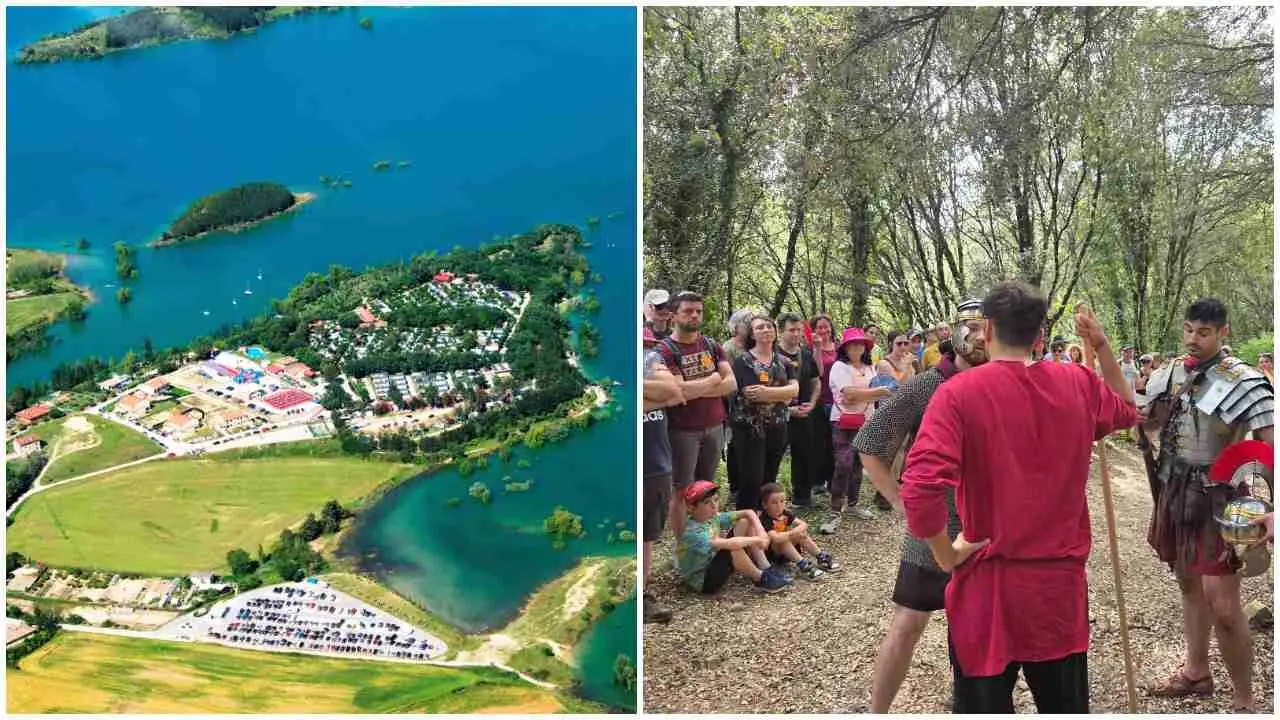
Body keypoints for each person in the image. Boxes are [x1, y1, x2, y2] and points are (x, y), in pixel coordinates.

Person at [901, 281, 1137, 713]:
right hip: (1056, 591)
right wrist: (1102, 346)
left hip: (988, 588)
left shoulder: (958, 392)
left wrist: (946, 555)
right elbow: (1127, 408)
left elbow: (919, 487)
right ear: (1040, 335)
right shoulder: (1078, 383)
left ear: (987, 329)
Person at [855, 299, 989, 713]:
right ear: (954, 332)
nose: (979, 337)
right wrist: (901, 502)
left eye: (986, 328)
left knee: (981, 629)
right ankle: (877, 712)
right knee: (909, 622)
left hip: (987, 523)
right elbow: (870, 445)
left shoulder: (1003, 382)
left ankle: (972, 705)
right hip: (937, 522)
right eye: (970, 327)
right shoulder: (926, 385)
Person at [1142, 298, 1273, 713]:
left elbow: (1272, 447)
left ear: (1222, 333)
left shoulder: (1245, 380)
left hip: (1221, 496)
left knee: (1226, 608)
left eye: (1203, 332)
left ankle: (1245, 701)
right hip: (1174, 491)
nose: (1193, 339)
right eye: (1189, 329)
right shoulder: (1170, 373)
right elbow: (1146, 420)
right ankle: (1197, 672)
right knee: (1187, 583)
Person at [658, 292, 737, 536]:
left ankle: (706, 539)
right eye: (688, 311)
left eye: (698, 311)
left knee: (706, 487)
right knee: (682, 489)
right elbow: (678, 392)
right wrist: (712, 379)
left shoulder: (711, 345)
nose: (694, 315)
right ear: (673, 316)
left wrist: (695, 388)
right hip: (682, 430)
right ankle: (683, 545)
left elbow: (731, 383)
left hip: (714, 425)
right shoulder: (665, 350)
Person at [727, 316, 798, 512]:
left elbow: (795, 391)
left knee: (770, 476)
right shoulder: (743, 361)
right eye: (760, 327)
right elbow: (753, 394)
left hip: (778, 426)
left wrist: (773, 393)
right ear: (752, 334)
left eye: (769, 326)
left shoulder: (784, 361)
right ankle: (745, 520)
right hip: (749, 428)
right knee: (751, 478)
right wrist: (783, 394)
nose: (766, 329)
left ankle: (767, 518)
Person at [675, 480, 790, 594]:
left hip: (713, 562)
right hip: (703, 581)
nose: (714, 506)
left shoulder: (711, 518)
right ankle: (761, 579)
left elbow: (748, 512)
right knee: (734, 548)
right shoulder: (693, 532)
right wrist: (757, 539)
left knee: (745, 521)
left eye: (716, 500)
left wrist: (761, 532)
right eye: (707, 502)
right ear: (692, 508)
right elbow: (732, 544)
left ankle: (765, 566)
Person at [827, 327, 891, 530]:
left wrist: (864, 394)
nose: (856, 347)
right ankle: (835, 509)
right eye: (852, 344)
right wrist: (877, 392)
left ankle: (853, 504)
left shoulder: (869, 367)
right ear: (845, 348)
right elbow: (849, 394)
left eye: (860, 344)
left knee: (858, 464)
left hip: (867, 420)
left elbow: (859, 394)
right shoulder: (839, 367)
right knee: (843, 464)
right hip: (843, 421)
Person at [642, 327, 682, 624]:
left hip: (657, 464)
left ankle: (643, 594)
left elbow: (674, 392)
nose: (648, 351)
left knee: (647, 535)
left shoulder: (652, 361)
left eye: (648, 345)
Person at [777, 313, 821, 507]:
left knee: (804, 455)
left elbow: (816, 381)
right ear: (780, 331)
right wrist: (787, 409)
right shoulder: (771, 355)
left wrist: (812, 403)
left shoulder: (806, 354)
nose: (796, 334)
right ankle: (767, 500)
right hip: (777, 415)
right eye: (791, 330)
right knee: (772, 457)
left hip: (804, 413)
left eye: (799, 330)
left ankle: (802, 497)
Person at [757, 482, 839, 580]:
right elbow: (775, 538)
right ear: (765, 505)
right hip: (773, 554)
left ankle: (820, 556)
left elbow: (803, 524)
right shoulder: (765, 519)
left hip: (786, 550)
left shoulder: (785, 513)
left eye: (782, 501)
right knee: (783, 540)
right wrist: (792, 533)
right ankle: (803, 565)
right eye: (774, 503)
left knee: (801, 534)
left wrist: (796, 532)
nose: (779, 506)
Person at [810, 313, 840, 497]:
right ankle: (817, 481)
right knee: (819, 443)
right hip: (820, 400)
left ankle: (832, 480)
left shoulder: (839, 346)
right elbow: (817, 371)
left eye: (826, 326)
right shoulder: (811, 347)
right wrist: (817, 348)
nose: (823, 330)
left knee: (834, 443)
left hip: (838, 401)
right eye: (819, 327)